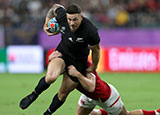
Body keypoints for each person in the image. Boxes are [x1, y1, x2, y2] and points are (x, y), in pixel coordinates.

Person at [19, 3, 100, 115]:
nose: (71, 23)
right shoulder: (62, 16)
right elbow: (54, 7)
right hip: (62, 54)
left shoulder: (90, 30)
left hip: (78, 62)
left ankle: (47, 113)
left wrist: (94, 66)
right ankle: (34, 95)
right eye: (69, 19)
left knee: (62, 94)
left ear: (81, 17)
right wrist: (46, 24)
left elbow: (96, 50)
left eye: (75, 20)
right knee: (51, 77)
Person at [67, 62, 160, 115]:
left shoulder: (83, 62)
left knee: (126, 114)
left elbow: (91, 87)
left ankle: (156, 113)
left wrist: (77, 74)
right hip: (88, 96)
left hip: (106, 96)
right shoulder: (68, 58)